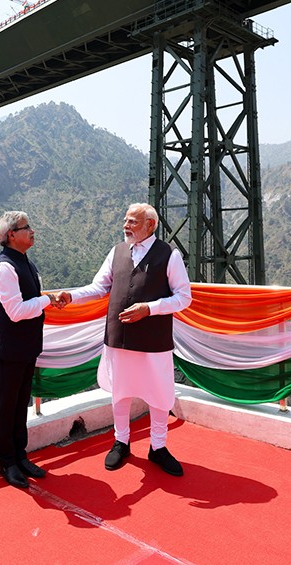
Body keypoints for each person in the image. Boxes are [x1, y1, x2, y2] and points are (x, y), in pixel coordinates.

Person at [57, 203, 192, 475]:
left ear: (150, 225)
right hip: (118, 337)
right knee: (120, 393)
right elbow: (100, 286)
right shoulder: (117, 252)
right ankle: (121, 442)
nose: (126, 226)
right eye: (125, 221)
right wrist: (73, 295)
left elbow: (183, 297)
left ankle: (158, 447)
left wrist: (149, 308)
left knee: (159, 395)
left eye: (132, 222)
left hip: (153, 340)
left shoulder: (169, 255)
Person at [0, 210, 58, 489]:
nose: (33, 231)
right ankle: (7, 463)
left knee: (20, 404)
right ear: (11, 235)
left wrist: (43, 300)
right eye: (27, 227)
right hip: (8, 348)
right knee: (7, 406)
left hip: (25, 346)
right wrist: (47, 301)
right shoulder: (4, 267)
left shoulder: (24, 262)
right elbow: (16, 311)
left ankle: (20, 456)